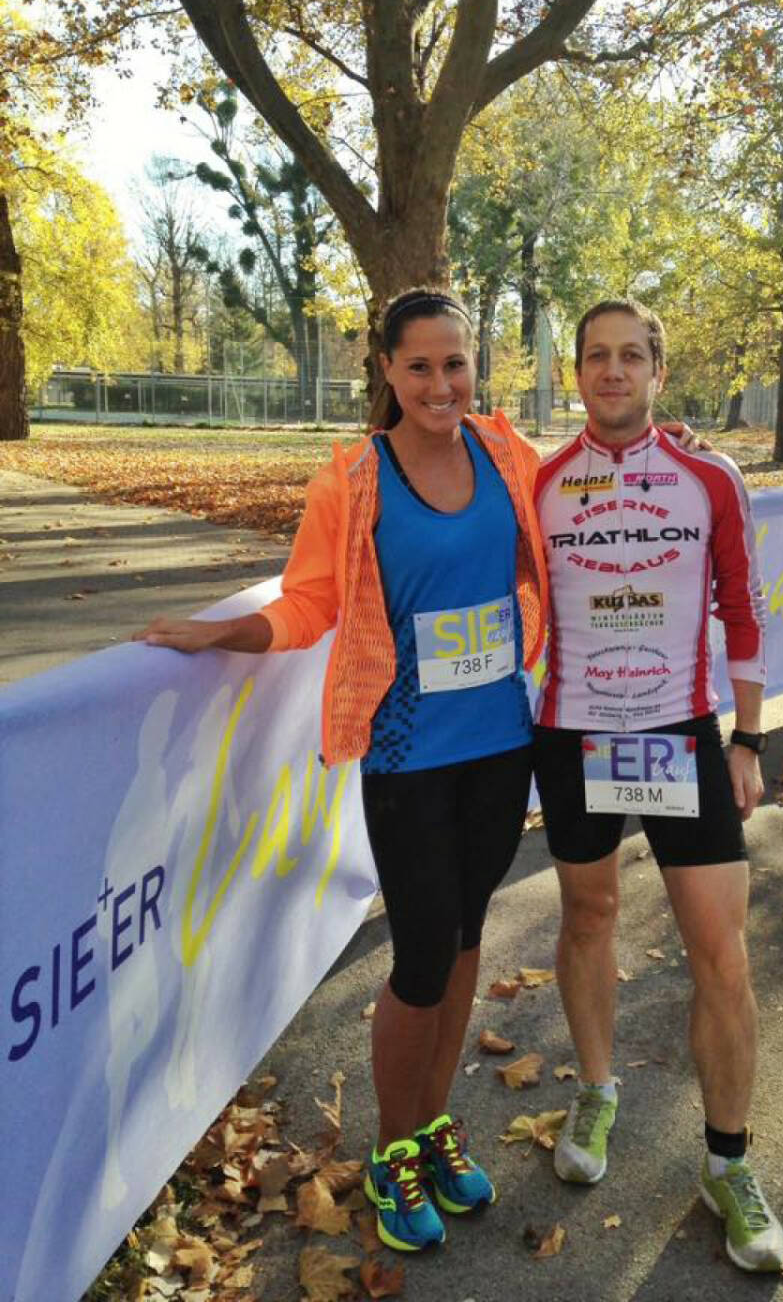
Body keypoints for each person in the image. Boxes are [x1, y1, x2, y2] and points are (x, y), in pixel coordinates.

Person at [135, 289, 547, 1253]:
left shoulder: (508, 455)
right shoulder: (358, 478)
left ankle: (435, 1125)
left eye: (456, 364)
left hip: (502, 742)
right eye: (420, 367)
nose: (442, 384)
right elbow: (314, 598)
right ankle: (392, 1151)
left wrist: (663, 439)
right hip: (409, 754)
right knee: (417, 957)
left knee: (467, 935)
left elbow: (582, 500)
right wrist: (222, 633)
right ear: (388, 374)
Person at [531, 299, 783, 1274]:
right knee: (587, 915)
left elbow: (744, 604)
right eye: (595, 356)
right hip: (573, 732)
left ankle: (729, 1161)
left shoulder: (709, 477)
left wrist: (750, 738)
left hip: (681, 733)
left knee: (720, 949)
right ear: (578, 373)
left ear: (657, 372)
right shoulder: (542, 483)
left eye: (630, 355)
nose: (610, 370)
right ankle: (597, 1092)